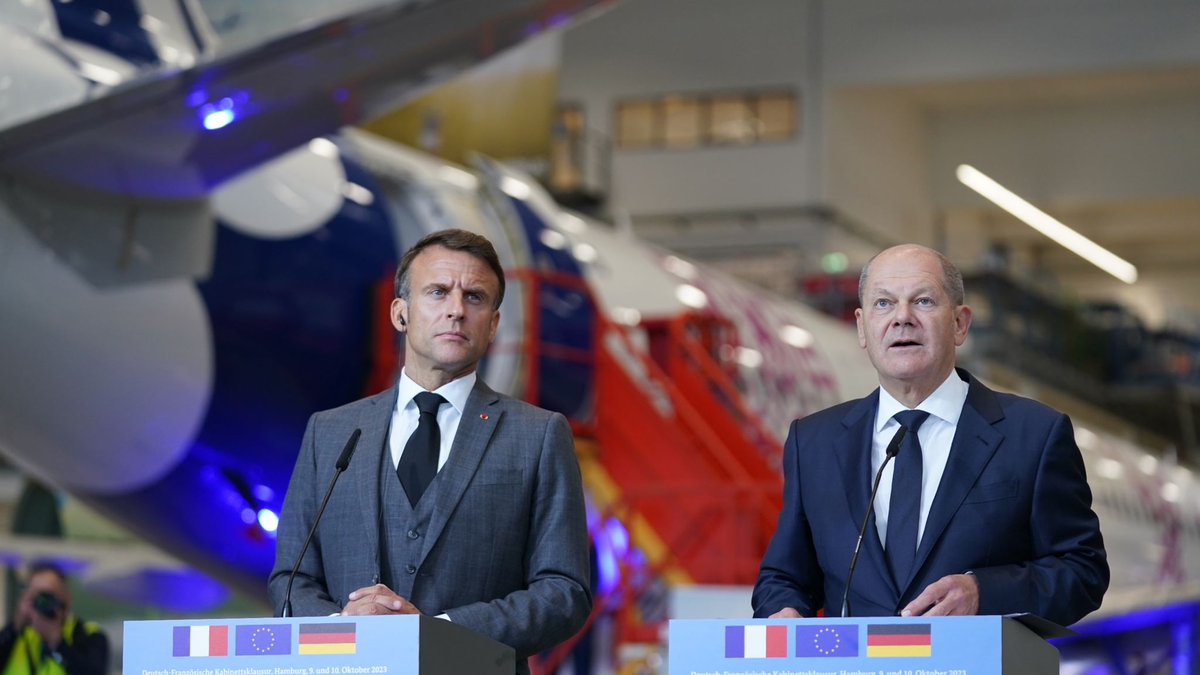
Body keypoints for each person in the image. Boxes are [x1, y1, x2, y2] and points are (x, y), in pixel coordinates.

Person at [268, 229, 591, 673]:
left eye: (475, 297)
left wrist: (435, 632)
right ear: (400, 313)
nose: (456, 310)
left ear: (493, 324)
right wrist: (341, 629)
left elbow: (564, 591)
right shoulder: (331, 432)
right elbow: (291, 577)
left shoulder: (539, 435)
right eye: (438, 292)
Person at [752, 244, 1108, 625]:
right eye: (883, 304)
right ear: (862, 327)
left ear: (959, 323)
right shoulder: (814, 443)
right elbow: (785, 576)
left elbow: (1082, 570)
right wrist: (783, 610)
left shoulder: (1034, 435)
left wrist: (983, 593)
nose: (902, 318)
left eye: (922, 301)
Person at [0, 562, 108, 675]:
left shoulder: (87, 635)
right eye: (36, 596)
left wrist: (57, 643)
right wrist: (14, 627)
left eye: (48, 596)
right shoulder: (18, 636)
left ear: (66, 596)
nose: (42, 602)